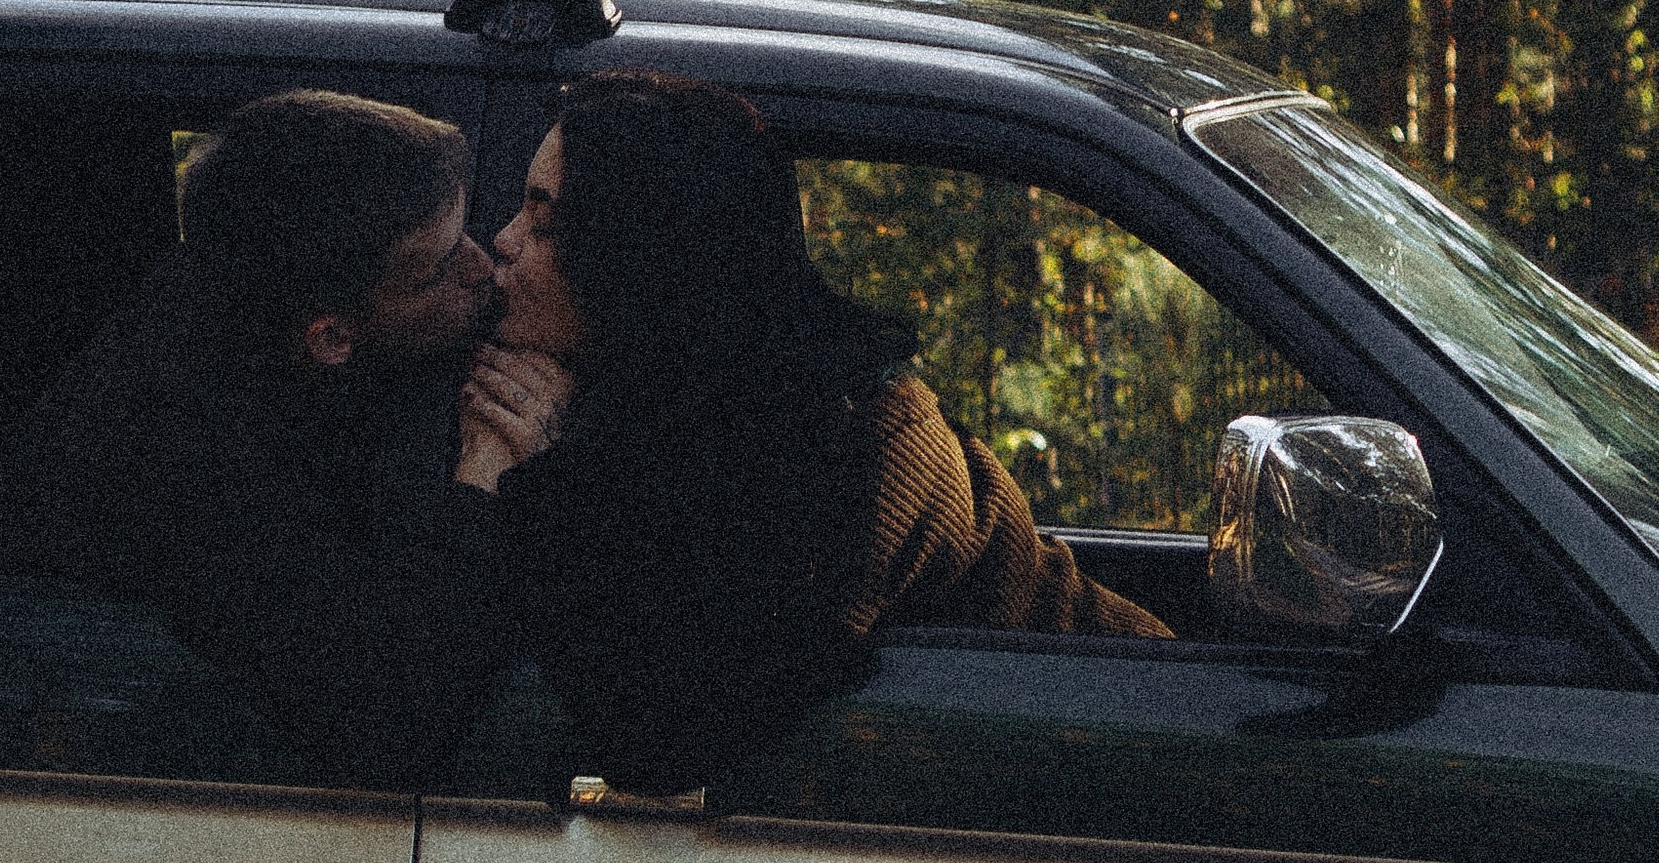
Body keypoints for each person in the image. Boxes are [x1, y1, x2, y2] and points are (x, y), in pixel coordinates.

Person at [473, 70, 1167, 795]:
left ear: (643, 258)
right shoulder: (640, 388)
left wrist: (547, 477)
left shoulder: (863, 443)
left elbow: (664, 741)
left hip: (1140, 748)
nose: (503, 240)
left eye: (546, 225)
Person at [0, 88, 571, 785]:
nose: (486, 264)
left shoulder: (257, 291)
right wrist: (484, 478)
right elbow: (381, 727)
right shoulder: (184, 465)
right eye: (439, 268)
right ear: (331, 338)